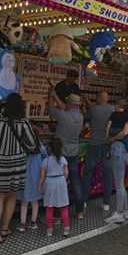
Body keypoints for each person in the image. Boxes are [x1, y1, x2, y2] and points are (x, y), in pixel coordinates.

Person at [0, 93, 37, 243]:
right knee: (11, 195)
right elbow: (32, 145)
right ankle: (5, 228)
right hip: (16, 164)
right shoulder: (24, 123)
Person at [46, 90, 84, 219]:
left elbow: (51, 108)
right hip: (73, 152)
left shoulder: (62, 115)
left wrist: (51, 97)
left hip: (60, 153)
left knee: (58, 181)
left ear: (69, 103)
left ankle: (56, 215)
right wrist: (56, 96)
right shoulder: (80, 117)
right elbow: (65, 109)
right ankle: (79, 210)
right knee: (75, 180)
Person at [81, 91, 114, 212]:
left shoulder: (94, 110)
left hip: (94, 144)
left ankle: (83, 201)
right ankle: (106, 204)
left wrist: (84, 105)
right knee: (107, 174)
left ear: (99, 98)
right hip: (107, 144)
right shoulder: (113, 109)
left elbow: (84, 115)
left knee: (87, 173)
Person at [16, 130, 48, 231]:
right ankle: (33, 222)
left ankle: (22, 223)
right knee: (35, 201)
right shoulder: (40, 147)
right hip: (37, 177)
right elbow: (46, 157)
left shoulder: (23, 147)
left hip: (25, 176)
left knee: (24, 202)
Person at [38, 138, 70, 237]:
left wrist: (39, 186)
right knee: (63, 207)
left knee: (49, 207)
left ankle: (49, 230)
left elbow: (42, 175)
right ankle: (66, 229)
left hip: (49, 182)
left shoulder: (45, 161)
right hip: (60, 181)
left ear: (50, 148)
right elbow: (66, 173)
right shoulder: (63, 159)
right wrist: (63, 181)